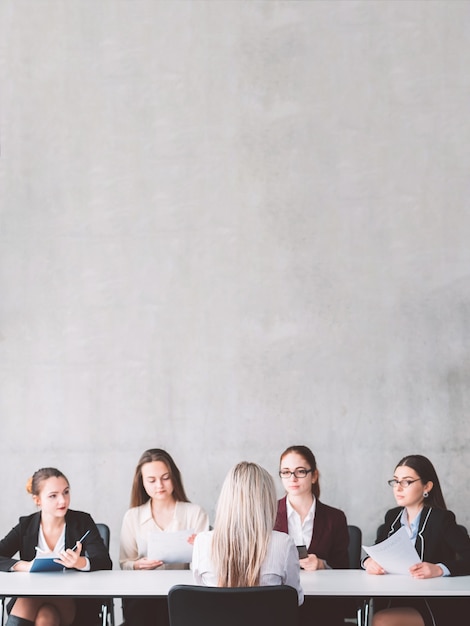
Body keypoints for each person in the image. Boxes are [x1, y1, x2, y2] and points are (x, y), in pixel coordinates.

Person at [364, 454, 470, 626]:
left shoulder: (441, 519)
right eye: (395, 481)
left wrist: (439, 569)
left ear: (426, 486)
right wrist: (368, 562)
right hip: (396, 597)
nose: (398, 488)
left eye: (406, 482)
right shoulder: (392, 516)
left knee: (382, 621)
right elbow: (375, 550)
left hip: (432, 603)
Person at [0, 467, 112, 626]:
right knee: (45, 618)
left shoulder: (82, 521)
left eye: (66, 492)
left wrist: (79, 562)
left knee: (31, 598)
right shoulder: (26, 525)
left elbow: (104, 561)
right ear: (37, 500)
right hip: (34, 600)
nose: (63, 500)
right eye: (53, 496)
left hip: (73, 600)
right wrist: (24, 566)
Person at [192, 461, 304, 605]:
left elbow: (199, 597)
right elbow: (295, 600)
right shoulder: (284, 543)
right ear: (267, 500)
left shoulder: (202, 542)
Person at [119, 448, 209, 626]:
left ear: (174, 477)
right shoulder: (133, 516)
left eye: (165, 478)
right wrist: (137, 565)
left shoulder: (194, 513)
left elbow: (205, 567)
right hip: (143, 594)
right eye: (151, 480)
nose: (159, 485)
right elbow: (125, 562)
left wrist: (199, 548)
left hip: (183, 593)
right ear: (142, 483)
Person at [274, 445, 350, 625]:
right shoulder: (268, 513)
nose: (292, 478)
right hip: (279, 601)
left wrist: (323, 564)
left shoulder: (335, 518)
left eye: (300, 471)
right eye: (286, 472)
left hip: (323, 603)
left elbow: (345, 567)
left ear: (314, 475)